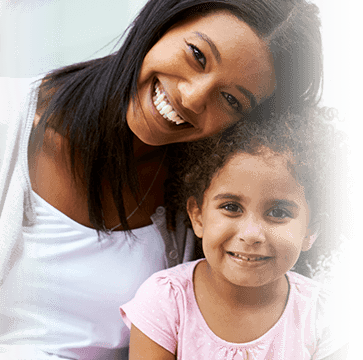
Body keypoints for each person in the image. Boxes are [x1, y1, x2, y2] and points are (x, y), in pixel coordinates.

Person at [0, 0, 327, 359]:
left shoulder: (211, 198)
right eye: (197, 55)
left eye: (230, 99)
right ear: (165, 19)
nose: (191, 97)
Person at [120, 113, 352, 359]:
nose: (251, 235)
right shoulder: (165, 301)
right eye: (231, 207)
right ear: (198, 216)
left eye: (278, 212)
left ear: (309, 233)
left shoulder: (325, 316)